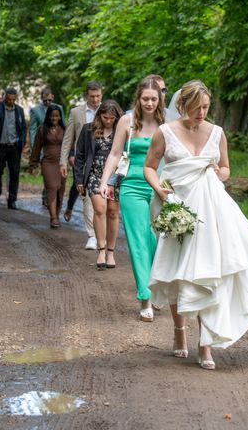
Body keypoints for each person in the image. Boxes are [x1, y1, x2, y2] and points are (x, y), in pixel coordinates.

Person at [143, 80, 248, 370]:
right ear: (182, 105)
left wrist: (219, 172)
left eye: (206, 107)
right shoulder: (165, 133)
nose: (202, 112)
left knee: (208, 274)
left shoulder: (217, 133)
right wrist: (160, 190)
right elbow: (150, 167)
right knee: (178, 272)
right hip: (179, 208)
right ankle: (179, 333)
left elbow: (226, 169)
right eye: (196, 107)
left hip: (212, 213)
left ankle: (206, 344)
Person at [99, 76, 165, 322]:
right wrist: (105, 182)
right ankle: (145, 297)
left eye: (153, 99)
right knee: (138, 240)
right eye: (145, 98)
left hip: (160, 186)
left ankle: (158, 286)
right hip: (132, 186)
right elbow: (115, 154)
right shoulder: (127, 122)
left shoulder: (165, 124)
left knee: (157, 240)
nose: (149, 103)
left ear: (160, 100)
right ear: (138, 98)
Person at [75, 100, 123, 269]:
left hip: (115, 175)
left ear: (116, 117)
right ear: (99, 115)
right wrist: (79, 179)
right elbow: (80, 155)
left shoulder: (122, 131)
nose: (108, 121)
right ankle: (101, 249)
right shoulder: (88, 129)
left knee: (112, 212)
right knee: (100, 209)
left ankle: (111, 251)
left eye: (111, 118)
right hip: (94, 174)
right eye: (105, 117)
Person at [60, 81, 102, 250]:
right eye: (92, 96)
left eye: (98, 96)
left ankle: (101, 232)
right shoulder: (76, 112)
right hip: (83, 159)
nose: (95, 100)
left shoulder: (107, 110)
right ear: (87, 96)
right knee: (87, 198)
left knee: (103, 196)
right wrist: (63, 160)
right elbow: (68, 138)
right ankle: (92, 235)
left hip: (103, 158)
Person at [0, 87, 27, 208]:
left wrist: (22, 141)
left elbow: (24, 127)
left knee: (14, 173)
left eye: (13, 99)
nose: (11, 101)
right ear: (5, 97)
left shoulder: (19, 110)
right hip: (0, 146)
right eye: (9, 99)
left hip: (15, 147)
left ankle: (12, 200)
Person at [28, 104, 66, 228]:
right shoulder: (42, 129)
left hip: (62, 164)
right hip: (48, 163)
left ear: (60, 117)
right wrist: (33, 163)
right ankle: (53, 217)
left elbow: (70, 146)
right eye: (52, 116)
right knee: (52, 187)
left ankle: (57, 213)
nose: (54, 118)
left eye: (56, 115)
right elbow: (37, 147)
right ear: (48, 116)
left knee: (60, 189)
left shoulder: (64, 130)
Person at [29, 87, 63, 207]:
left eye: (49, 100)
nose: (47, 103)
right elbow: (33, 129)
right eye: (45, 100)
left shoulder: (59, 108)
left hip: (57, 145)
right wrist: (35, 146)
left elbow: (62, 125)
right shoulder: (35, 110)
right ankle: (46, 197)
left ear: (52, 97)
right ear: (41, 98)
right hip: (43, 145)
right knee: (47, 173)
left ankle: (52, 196)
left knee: (56, 174)